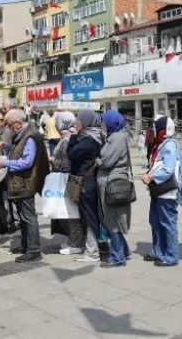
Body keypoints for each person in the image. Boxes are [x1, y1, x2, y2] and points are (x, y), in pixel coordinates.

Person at [0, 109, 50, 263]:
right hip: (23, 182)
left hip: (27, 182)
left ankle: (34, 250)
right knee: (24, 217)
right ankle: (26, 245)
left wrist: (3, 163)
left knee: (29, 217)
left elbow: (26, 161)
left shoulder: (30, 135)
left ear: (18, 123)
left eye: (10, 125)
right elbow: (20, 152)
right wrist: (6, 146)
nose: (9, 128)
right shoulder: (24, 134)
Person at [143, 116, 182, 267]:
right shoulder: (161, 144)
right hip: (159, 190)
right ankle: (158, 251)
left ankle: (171, 256)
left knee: (167, 223)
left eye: (155, 129)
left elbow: (168, 169)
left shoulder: (169, 145)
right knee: (155, 221)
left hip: (167, 191)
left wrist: (150, 178)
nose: (152, 131)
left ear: (163, 130)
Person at [68, 110, 108, 262]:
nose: (76, 123)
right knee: (90, 214)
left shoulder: (89, 140)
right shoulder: (94, 136)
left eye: (78, 120)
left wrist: (72, 137)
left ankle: (93, 252)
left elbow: (71, 154)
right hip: (90, 180)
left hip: (87, 182)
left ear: (86, 121)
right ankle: (93, 247)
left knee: (90, 215)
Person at [97, 110, 134, 268]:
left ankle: (118, 257)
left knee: (112, 220)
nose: (102, 124)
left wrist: (96, 161)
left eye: (104, 122)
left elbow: (107, 161)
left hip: (113, 183)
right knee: (111, 220)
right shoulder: (112, 136)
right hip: (109, 181)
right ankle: (123, 250)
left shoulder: (117, 137)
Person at [48, 111, 85, 255]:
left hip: (67, 181)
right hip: (66, 181)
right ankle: (73, 241)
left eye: (57, 122)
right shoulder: (70, 137)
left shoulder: (66, 140)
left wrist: (52, 161)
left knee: (70, 214)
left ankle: (76, 244)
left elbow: (67, 165)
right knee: (68, 213)